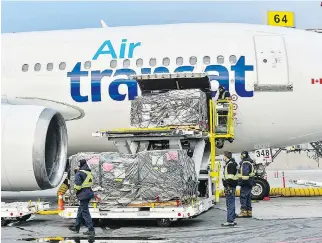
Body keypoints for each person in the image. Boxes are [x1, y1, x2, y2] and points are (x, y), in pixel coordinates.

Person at [69, 159, 95, 236]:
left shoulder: (79, 173)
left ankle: (91, 230)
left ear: (80, 164)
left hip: (83, 195)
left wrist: (74, 192)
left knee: (85, 212)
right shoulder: (88, 172)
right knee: (80, 210)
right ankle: (76, 227)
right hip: (89, 193)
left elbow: (78, 186)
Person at [221, 151, 238, 227]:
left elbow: (230, 177)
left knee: (230, 203)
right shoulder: (232, 163)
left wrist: (226, 184)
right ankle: (232, 219)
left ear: (226, 156)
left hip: (229, 186)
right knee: (232, 202)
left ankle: (230, 220)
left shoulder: (230, 165)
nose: (223, 158)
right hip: (231, 186)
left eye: (224, 156)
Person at [236, 151, 255, 218]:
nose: (240, 156)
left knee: (243, 197)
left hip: (245, 183)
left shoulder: (245, 163)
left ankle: (243, 212)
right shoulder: (249, 162)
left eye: (241, 155)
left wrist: (240, 182)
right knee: (248, 198)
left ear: (243, 155)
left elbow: (245, 175)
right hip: (249, 183)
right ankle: (249, 212)